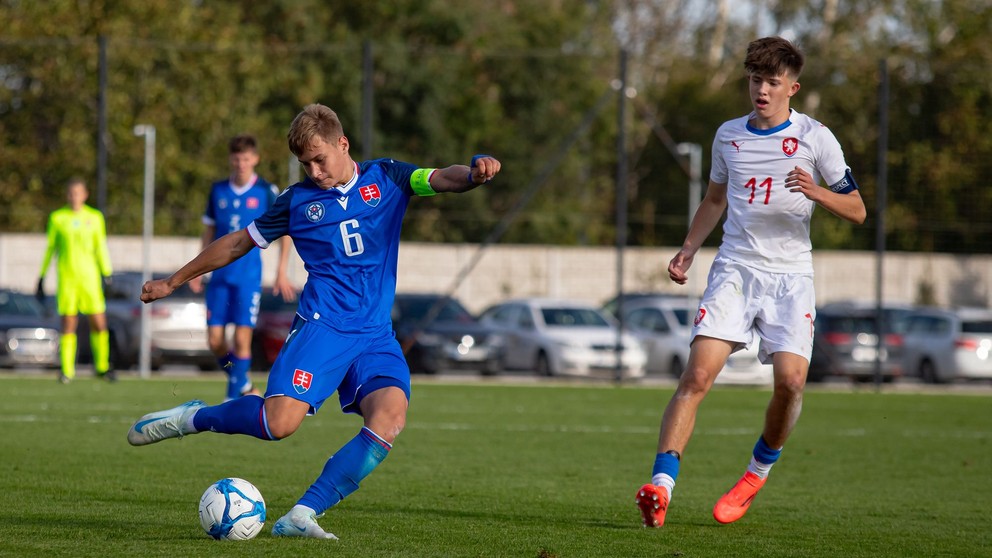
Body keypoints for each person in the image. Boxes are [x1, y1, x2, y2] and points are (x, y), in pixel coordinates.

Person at [126, 103, 501, 539]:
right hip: (323, 328)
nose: (314, 170)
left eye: (320, 159)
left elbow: (440, 178)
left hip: (375, 334)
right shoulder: (297, 201)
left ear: (343, 143)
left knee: (390, 418)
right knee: (278, 425)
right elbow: (234, 245)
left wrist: (473, 175)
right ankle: (193, 418)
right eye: (305, 163)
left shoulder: (390, 177)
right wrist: (174, 280)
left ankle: (302, 514)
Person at [635, 36, 866, 528]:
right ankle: (660, 487)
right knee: (696, 376)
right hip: (735, 268)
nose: (761, 90)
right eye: (755, 80)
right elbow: (715, 200)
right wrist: (688, 249)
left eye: (772, 82)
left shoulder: (815, 137)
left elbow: (858, 210)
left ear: (793, 88)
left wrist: (816, 192)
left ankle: (758, 470)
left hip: (790, 277)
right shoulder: (728, 136)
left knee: (790, 383)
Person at [188, 134, 296, 401]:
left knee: (241, 339)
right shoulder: (218, 190)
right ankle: (243, 381)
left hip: (248, 277)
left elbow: (286, 231)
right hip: (220, 277)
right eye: (236, 159)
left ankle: (232, 395)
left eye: (246, 159)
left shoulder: (265, 191)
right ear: (230, 160)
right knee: (215, 341)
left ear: (255, 159)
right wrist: (198, 269)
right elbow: (208, 230)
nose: (241, 164)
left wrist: (281, 271)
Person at [37, 178, 115, 383]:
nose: (74, 197)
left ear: (85, 195)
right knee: (68, 322)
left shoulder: (95, 217)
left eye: (78, 193)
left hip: (89, 279)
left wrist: (107, 273)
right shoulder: (58, 218)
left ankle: (102, 367)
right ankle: (67, 370)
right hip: (68, 279)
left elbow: (101, 246)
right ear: (67, 195)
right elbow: (50, 249)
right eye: (71, 193)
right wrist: (42, 275)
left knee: (99, 321)